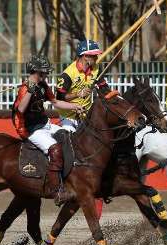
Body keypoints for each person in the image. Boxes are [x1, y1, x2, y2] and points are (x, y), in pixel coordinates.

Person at [13, 54, 84, 202]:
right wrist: (30, 90)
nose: (46, 75)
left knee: (68, 137)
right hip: (30, 129)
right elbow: (21, 109)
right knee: (55, 148)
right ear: (36, 72)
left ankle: (70, 178)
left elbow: (56, 102)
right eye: (43, 72)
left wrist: (75, 106)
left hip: (45, 124)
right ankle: (56, 189)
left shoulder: (43, 86)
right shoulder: (25, 88)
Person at [55, 39, 110, 132]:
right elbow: (59, 99)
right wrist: (78, 94)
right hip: (68, 117)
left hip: (86, 115)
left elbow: (104, 88)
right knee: (69, 138)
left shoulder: (96, 69)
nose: (97, 58)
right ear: (85, 56)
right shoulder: (68, 74)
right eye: (94, 55)